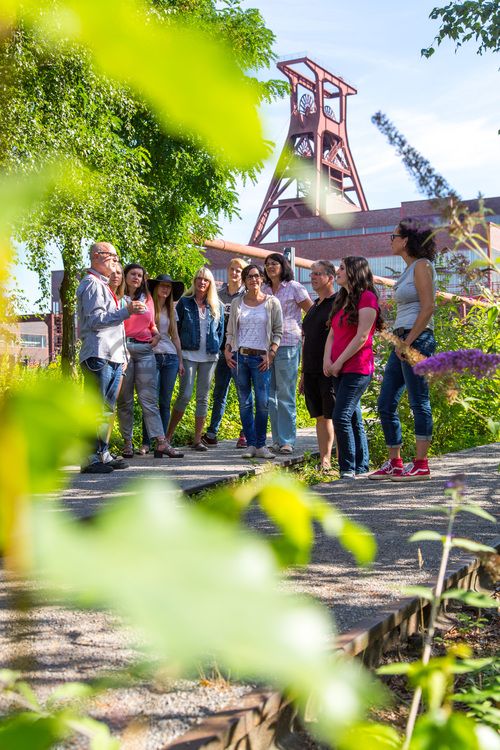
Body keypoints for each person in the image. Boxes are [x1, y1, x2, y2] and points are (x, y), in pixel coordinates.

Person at [370, 219, 437, 481]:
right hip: (403, 340)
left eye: (393, 236)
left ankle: (421, 463)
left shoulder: (422, 266)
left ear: (406, 240)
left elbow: (429, 307)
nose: (390, 240)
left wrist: (408, 343)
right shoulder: (408, 270)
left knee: (418, 400)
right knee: (386, 402)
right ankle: (395, 463)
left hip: (417, 341)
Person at [77, 242, 143, 473]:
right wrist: (127, 311)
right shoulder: (92, 284)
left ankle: (102, 453)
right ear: (97, 257)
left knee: (106, 408)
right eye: (112, 257)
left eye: (117, 257)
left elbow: (117, 328)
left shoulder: (106, 287)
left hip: (113, 356)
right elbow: (96, 321)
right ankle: (89, 458)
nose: (116, 261)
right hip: (98, 354)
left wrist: (123, 355)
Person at [323, 256, 382, 479]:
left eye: (341, 268)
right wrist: (327, 361)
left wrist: (338, 362)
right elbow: (332, 334)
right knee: (353, 417)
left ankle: (346, 469)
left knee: (341, 416)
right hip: (338, 369)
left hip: (357, 368)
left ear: (354, 272)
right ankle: (361, 467)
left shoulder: (367, 298)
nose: (337, 271)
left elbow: (362, 337)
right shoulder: (342, 298)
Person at [117, 263, 181, 459]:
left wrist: (156, 334)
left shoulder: (148, 298)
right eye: (133, 274)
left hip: (145, 349)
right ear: (125, 276)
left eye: (140, 275)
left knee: (149, 399)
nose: (136, 277)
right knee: (125, 400)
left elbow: (151, 323)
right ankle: (127, 443)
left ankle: (161, 442)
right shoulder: (118, 298)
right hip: (124, 348)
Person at [225, 264, 283, 459]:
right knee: (245, 402)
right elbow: (231, 331)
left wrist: (271, 353)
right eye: (249, 276)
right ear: (244, 280)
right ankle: (250, 444)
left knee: (263, 402)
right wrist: (227, 350)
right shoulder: (237, 303)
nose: (254, 279)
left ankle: (261, 444)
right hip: (239, 357)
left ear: (262, 279)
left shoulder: (272, 302)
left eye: (257, 276)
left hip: (261, 358)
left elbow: (278, 331)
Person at [166, 267, 224, 451]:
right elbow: (175, 329)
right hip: (189, 355)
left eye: (205, 280)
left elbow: (220, 332)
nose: (202, 282)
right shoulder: (184, 303)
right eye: (199, 279)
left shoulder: (218, 305)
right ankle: (167, 438)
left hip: (209, 356)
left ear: (210, 284)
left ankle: (197, 440)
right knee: (185, 395)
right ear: (195, 281)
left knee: (203, 398)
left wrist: (215, 349)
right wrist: (179, 356)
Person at [262, 253, 312, 454]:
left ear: (283, 266)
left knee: (285, 394)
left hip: (288, 344)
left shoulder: (294, 287)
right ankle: (276, 439)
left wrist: (305, 335)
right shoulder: (264, 289)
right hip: (265, 347)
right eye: (267, 264)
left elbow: (312, 312)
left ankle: (287, 440)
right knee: (270, 396)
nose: (270, 267)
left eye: (274, 263)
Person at [202, 257, 248, 448]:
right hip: (221, 350)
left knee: (243, 393)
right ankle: (212, 433)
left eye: (239, 270)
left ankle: (246, 433)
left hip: (240, 351)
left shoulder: (247, 295)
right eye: (232, 269)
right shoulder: (218, 294)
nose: (235, 272)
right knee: (219, 392)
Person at [138, 274, 186, 455]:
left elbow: (175, 337)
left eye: (169, 287)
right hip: (152, 356)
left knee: (165, 402)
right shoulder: (148, 308)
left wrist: (180, 360)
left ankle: (162, 443)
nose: (166, 289)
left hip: (171, 358)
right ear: (156, 288)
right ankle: (145, 442)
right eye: (163, 286)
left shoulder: (171, 311)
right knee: (150, 401)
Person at [299, 260, 337, 473]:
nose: (313, 277)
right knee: (320, 416)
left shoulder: (337, 303)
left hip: (329, 368)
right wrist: (303, 373)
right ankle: (324, 460)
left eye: (318, 274)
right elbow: (307, 341)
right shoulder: (314, 307)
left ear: (330, 278)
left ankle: (336, 460)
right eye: (312, 273)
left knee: (332, 414)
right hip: (311, 369)